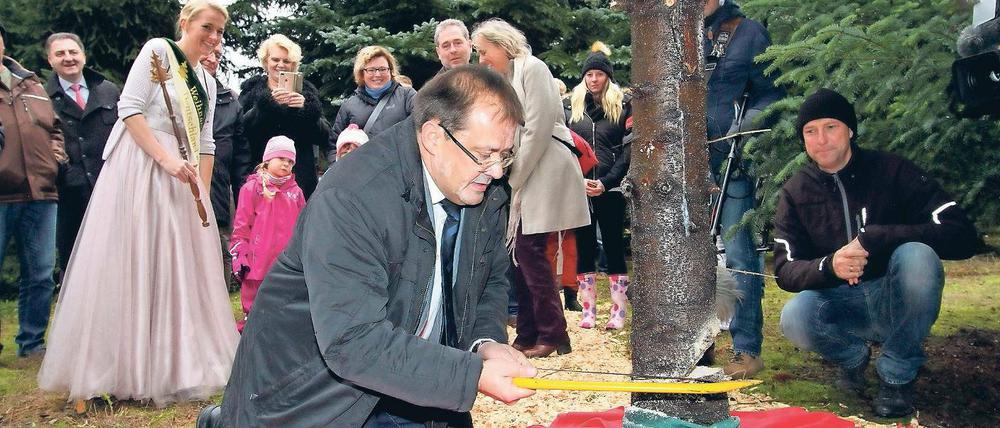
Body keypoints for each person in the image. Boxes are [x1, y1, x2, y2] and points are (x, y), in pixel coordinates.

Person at [207, 65, 536, 427]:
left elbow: (488, 282)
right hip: (316, 397)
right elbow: (353, 341)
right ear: (432, 137)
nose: (496, 172)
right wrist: (469, 375)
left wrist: (484, 343)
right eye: (484, 154)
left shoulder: (484, 191)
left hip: (413, 378)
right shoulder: (352, 196)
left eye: (505, 155)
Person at [37, 0, 239, 409]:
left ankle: (175, 366)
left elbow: (206, 143)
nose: (214, 38)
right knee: (132, 262)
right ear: (186, 22)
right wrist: (165, 161)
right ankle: (114, 367)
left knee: (175, 269)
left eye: (220, 31)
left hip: (182, 180)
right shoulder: (158, 51)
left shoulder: (208, 81)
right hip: (143, 170)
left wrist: (199, 190)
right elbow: (130, 109)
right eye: (207, 27)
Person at [774, 88, 979, 418]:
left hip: (893, 294)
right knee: (794, 316)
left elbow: (962, 234)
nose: (821, 139)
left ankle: (897, 374)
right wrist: (831, 265)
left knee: (917, 257)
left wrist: (876, 238)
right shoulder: (796, 191)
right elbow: (785, 269)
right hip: (839, 301)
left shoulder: (892, 171)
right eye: (810, 131)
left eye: (831, 127)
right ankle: (852, 358)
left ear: (850, 130)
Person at [472, 18, 590, 358]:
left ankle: (552, 333)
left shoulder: (532, 68)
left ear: (502, 44)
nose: (482, 60)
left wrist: (514, 177)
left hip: (542, 169)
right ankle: (529, 333)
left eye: (484, 51)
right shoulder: (507, 76)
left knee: (529, 254)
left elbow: (537, 129)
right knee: (521, 257)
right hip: (526, 172)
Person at [703, 0, 784, 377]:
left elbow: (771, 95)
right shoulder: (672, 33)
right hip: (687, 166)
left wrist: (745, 132)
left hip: (733, 163)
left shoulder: (747, 31)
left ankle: (746, 348)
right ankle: (696, 345)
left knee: (739, 254)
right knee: (687, 255)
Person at [0, 23, 68, 358]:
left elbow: (54, 128)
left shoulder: (30, 83)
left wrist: (55, 159)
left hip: (41, 191)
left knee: (41, 272)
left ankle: (31, 343)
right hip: (2, 192)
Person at [565, 42, 633, 330]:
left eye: (599, 74)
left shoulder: (623, 105)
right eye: (589, 74)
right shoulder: (571, 107)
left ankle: (618, 309)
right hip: (578, 188)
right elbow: (565, 147)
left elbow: (629, 151)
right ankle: (588, 310)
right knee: (584, 247)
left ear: (608, 76)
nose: (594, 79)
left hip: (611, 188)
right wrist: (577, 180)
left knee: (614, 246)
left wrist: (606, 182)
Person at [44, 32, 121, 277]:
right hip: (70, 196)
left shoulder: (109, 91)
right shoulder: (43, 98)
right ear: (50, 60)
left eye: (73, 52)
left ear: (83, 56)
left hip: (112, 191)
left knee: (117, 260)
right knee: (75, 266)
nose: (68, 58)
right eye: (60, 53)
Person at [239, 34, 328, 199]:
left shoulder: (307, 92)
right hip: (262, 179)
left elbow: (324, 136)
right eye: (275, 59)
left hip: (300, 180)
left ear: (293, 65)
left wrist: (306, 108)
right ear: (266, 61)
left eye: (286, 61)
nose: (280, 65)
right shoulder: (252, 91)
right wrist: (266, 105)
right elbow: (242, 131)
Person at [230, 136, 304, 333]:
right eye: (281, 158)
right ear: (268, 159)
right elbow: (241, 226)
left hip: (285, 263)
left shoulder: (296, 193)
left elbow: (302, 228)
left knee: (284, 307)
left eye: (290, 161)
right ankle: (249, 336)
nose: (286, 164)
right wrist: (240, 255)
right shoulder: (251, 188)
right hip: (257, 262)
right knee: (255, 306)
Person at [201, 42, 250, 290]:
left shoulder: (230, 100)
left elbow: (241, 157)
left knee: (219, 253)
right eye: (207, 52)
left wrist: (244, 199)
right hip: (179, 185)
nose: (212, 58)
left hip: (217, 191)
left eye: (218, 55)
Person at [329, 45, 415, 153]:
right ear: (362, 73)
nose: (377, 74)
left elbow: (424, 127)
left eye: (383, 69)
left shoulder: (407, 96)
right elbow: (333, 146)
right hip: (363, 168)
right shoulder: (349, 106)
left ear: (390, 71)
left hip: (401, 167)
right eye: (371, 70)